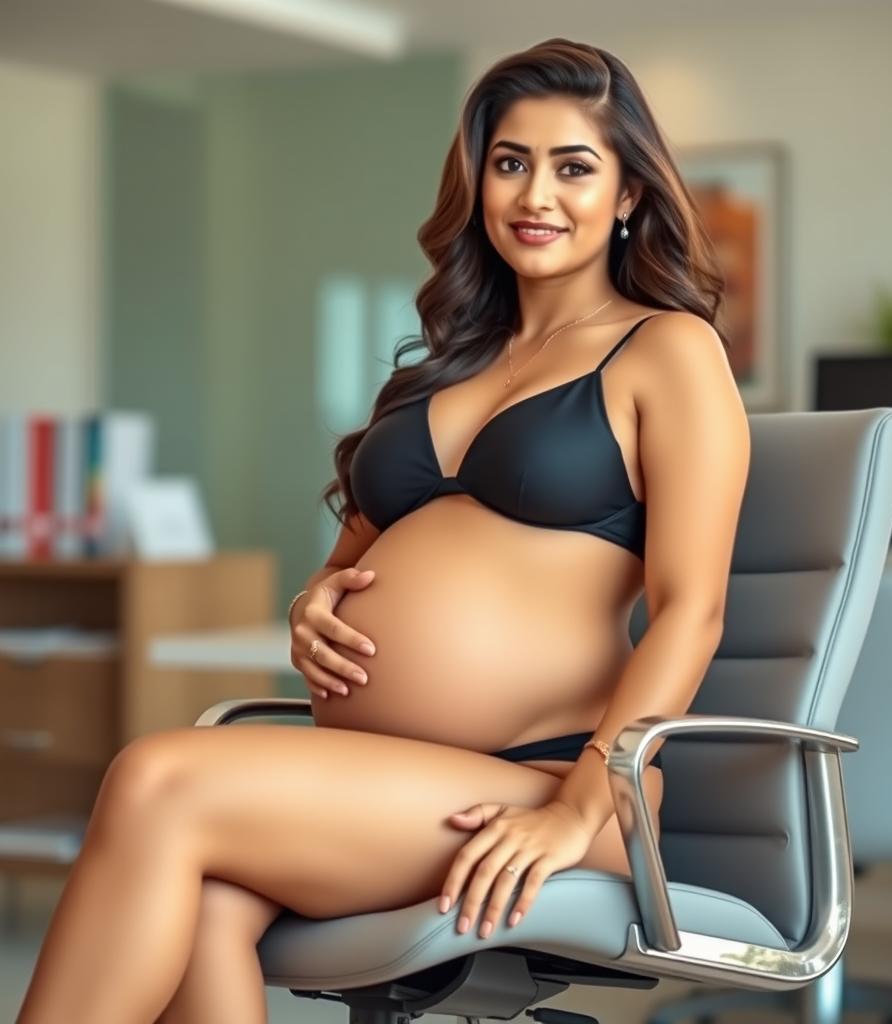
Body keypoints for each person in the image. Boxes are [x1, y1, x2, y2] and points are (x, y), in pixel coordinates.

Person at [16, 37, 750, 1024]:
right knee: (205, 907)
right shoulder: (441, 368)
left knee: (158, 776)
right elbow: (354, 557)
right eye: (509, 162)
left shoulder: (666, 349)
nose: (536, 194)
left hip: (550, 780)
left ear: (626, 196)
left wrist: (582, 805)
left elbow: (691, 611)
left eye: (573, 166)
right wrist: (312, 600)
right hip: (378, 778)